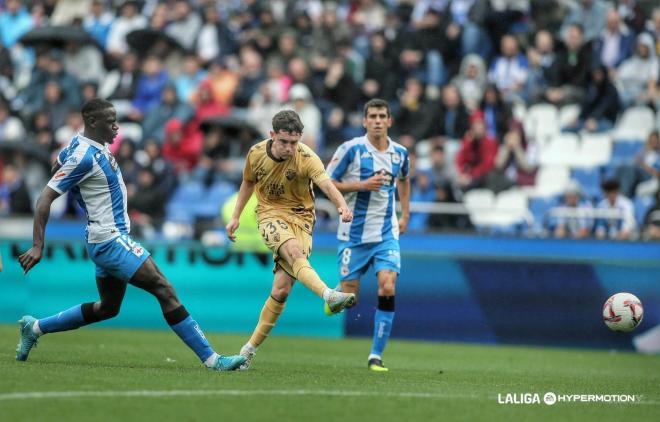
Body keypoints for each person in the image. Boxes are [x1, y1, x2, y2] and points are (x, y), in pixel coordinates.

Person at [16, 98, 245, 371]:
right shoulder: (82, 156)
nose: (116, 127)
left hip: (102, 239)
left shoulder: (82, 145)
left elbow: (58, 169)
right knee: (164, 289)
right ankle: (212, 360)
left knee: (108, 308)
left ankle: (35, 327)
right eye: (111, 121)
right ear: (92, 122)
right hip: (110, 238)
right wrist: (38, 246)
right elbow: (44, 198)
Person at [226, 110, 356, 370]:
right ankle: (329, 295)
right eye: (284, 142)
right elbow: (247, 183)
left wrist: (341, 205)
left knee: (281, 290)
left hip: (303, 219)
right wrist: (236, 216)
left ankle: (248, 349)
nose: (289, 148)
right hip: (269, 214)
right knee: (295, 252)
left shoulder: (307, 158)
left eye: (294, 142)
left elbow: (327, 184)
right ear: (272, 135)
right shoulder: (256, 153)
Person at [325, 99, 411, 372]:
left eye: (381, 116)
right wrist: (361, 185)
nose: (376, 120)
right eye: (371, 116)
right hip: (353, 235)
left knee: (388, 284)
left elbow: (405, 180)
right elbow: (325, 182)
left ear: (389, 121)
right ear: (364, 121)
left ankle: (376, 355)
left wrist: (405, 214)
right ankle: (335, 296)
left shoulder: (400, 153)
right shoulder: (350, 149)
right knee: (350, 299)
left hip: (386, 233)